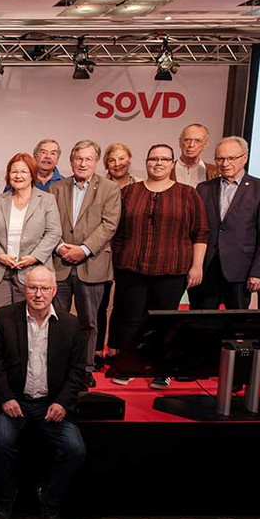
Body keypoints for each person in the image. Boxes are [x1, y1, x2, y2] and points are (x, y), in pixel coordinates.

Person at [0, 266, 87, 519]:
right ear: (24, 289)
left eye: (44, 288)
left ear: (54, 291)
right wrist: (6, 398)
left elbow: (77, 371)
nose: (38, 294)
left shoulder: (71, 324)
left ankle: (50, 497)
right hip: (14, 401)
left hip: (51, 404)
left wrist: (62, 403)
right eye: (32, 287)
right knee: (0, 442)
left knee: (75, 449)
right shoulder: (5, 317)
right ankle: (6, 495)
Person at [109, 144, 208, 389]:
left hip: (171, 268)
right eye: (154, 159)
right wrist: (118, 262)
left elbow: (200, 232)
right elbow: (118, 232)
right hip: (131, 268)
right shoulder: (130, 192)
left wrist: (197, 266)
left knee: (164, 321)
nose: (158, 163)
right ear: (146, 162)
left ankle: (162, 369)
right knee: (131, 319)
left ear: (172, 163)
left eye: (164, 159)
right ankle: (129, 365)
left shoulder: (187, 194)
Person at [50, 140, 121, 388]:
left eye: (88, 159)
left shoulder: (110, 189)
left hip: (92, 264)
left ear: (96, 162)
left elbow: (109, 225)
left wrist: (83, 249)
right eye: (78, 158)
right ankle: (57, 367)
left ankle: (85, 368)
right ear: (71, 161)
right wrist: (60, 247)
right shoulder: (56, 188)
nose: (83, 163)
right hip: (59, 264)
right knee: (56, 321)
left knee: (89, 322)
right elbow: (50, 223)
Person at [189, 137, 260, 312]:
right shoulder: (204, 188)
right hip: (207, 267)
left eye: (231, 158)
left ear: (244, 158)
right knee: (200, 320)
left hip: (241, 270)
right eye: (220, 158)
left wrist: (258, 271)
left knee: (236, 323)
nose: (225, 163)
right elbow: (197, 229)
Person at [0, 153, 61, 328]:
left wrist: (34, 257)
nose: (18, 175)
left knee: (26, 324)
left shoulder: (47, 200)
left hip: (33, 271)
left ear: (32, 175)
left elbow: (54, 232)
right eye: (14, 171)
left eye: (23, 171)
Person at [95, 142, 141, 364]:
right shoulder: (98, 186)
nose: (117, 164)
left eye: (122, 158)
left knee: (124, 302)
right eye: (112, 160)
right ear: (106, 164)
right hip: (101, 250)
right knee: (100, 303)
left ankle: (116, 347)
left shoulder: (140, 188)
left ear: (129, 160)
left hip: (129, 250)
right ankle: (96, 350)